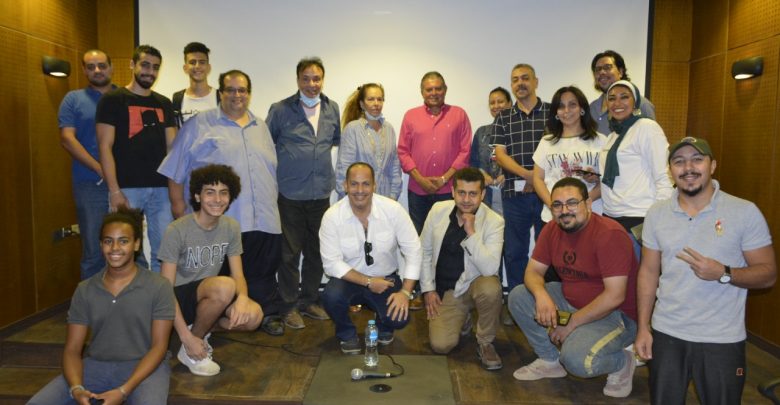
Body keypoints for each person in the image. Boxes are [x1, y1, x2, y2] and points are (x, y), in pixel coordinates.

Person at [635, 137, 777, 404]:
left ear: (712, 166)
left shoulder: (744, 212)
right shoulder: (656, 213)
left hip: (721, 339)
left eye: (697, 160)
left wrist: (724, 272)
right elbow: (648, 272)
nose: (688, 167)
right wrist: (643, 327)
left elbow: (768, 274)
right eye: (679, 161)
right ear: (670, 170)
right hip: (667, 333)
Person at [158, 70, 284, 336]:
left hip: (264, 218)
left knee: (263, 274)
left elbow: (271, 170)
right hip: (223, 221)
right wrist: (178, 207)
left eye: (242, 90)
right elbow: (174, 169)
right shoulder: (199, 125)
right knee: (222, 282)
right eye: (231, 90)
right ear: (221, 93)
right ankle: (207, 322)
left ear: (249, 94)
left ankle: (267, 314)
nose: (237, 95)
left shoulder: (261, 127)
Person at [28, 208, 174, 405]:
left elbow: (159, 347)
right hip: (96, 366)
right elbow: (72, 350)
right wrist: (76, 388)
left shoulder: (159, 286)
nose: (115, 248)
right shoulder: (85, 289)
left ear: (137, 244)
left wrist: (123, 391)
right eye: (108, 241)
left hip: (146, 367)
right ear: (101, 245)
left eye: (123, 241)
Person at [508, 177, 638, 398]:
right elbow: (533, 271)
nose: (564, 210)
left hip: (616, 315)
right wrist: (541, 295)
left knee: (576, 361)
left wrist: (571, 324)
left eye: (572, 203)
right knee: (519, 296)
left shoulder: (609, 235)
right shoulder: (552, 229)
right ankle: (550, 360)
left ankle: (622, 361)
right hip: (571, 301)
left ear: (588, 204)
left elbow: (615, 296)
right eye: (557, 205)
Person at [159, 164, 263, 377]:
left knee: (254, 316)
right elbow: (165, 290)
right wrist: (186, 336)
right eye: (210, 192)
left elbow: (238, 274)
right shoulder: (176, 229)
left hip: (210, 297)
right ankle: (191, 346)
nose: (217, 199)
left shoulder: (231, 226)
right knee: (224, 286)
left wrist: (243, 298)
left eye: (223, 193)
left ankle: (198, 332)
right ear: (197, 196)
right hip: (177, 299)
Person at [267, 57, 340, 329]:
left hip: (320, 194)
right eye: (306, 79)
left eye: (316, 78)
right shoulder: (280, 110)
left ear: (323, 80)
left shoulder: (332, 108)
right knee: (289, 254)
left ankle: (309, 301)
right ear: (298, 80)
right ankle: (288, 306)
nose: (312, 84)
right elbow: (267, 144)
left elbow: (334, 141)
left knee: (316, 251)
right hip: (290, 195)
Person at [320, 162, 421, 353]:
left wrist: (405, 293)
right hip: (349, 280)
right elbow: (331, 264)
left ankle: (385, 326)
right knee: (331, 296)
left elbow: (414, 250)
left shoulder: (393, 210)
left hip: (385, 279)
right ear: (345, 185)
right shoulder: (332, 217)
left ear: (374, 186)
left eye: (365, 184)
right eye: (354, 184)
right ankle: (346, 334)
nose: (360, 190)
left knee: (399, 319)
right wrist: (368, 281)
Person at [96, 44, 177, 273]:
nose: (150, 72)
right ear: (132, 65)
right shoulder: (113, 100)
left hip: (161, 189)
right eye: (145, 65)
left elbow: (172, 147)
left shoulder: (164, 103)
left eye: (155, 67)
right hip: (126, 189)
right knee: (123, 251)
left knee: (164, 252)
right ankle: (128, 295)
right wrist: (114, 191)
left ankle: (161, 295)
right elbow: (104, 147)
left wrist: (175, 190)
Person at [420, 167, 504, 370]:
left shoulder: (494, 221)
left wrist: (471, 233)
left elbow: (490, 268)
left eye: (473, 194)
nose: (466, 200)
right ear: (453, 192)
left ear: (482, 194)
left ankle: (486, 342)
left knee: (491, 288)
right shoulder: (438, 210)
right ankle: (464, 319)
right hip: (448, 290)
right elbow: (424, 252)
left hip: (475, 283)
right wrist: (428, 289)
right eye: (461, 193)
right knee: (441, 345)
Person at [58, 49, 116, 279]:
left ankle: (126, 300)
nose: (97, 70)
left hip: (125, 186)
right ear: (83, 70)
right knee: (94, 251)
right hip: (90, 185)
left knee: (131, 249)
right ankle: (91, 302)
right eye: (91, 67)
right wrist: (99, 168)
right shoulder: (73, 99)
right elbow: (67, 139)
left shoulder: (124, 97)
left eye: (102, 65)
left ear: (111, 67)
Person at [598, 80, 672, 258]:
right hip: (610, 217)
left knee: (638, 274)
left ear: (636, 102)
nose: (617, 103)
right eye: (612, 98)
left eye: (624, 97)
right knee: (615, 273)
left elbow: (664, 176)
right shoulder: (613, 135)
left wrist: (657, 220)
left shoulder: (646, 127)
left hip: (638, 219)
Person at [492, 63, 549, 291]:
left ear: (536, 82)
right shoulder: (503, 117)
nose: (520, 83)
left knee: (548, 250)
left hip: (547, 194)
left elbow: (557, 150)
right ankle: (518, 298)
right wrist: (529, 176)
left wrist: (536, 180)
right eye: (515, 80)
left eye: (525, 78)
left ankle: (548, 298)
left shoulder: (552, 113)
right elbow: (500, 155)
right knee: (515, 251)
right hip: (514, 195)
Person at [397, 71, 472, 234]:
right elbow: (403, 152)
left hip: (450, 190)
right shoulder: (410, 116)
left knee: (449, 237)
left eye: (438, 88)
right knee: (420, 235)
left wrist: (444, 179)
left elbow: (465, 152)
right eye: (429, 89)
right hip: (418, 191)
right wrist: (421, 180)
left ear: (445, 89)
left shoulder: (459, 114)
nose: (434, 93)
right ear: (422, 92)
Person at [533, 85, 607, 223]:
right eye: (561, 106)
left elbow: (607, 180)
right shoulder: (546, 142)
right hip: (554, 218)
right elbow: (537, 178)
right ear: (556, 112)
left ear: (582, 109)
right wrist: (554, 205)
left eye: (572, 105)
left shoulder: (601, 141)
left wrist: (583, 203)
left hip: (591, 215)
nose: (566, 110)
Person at [335, 83, 402, 200]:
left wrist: (393, 197)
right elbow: (343, 169)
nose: (376, 103)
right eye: (371, 99)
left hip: (384, 199)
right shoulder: (352, 129)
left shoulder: (389, 129)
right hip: (358, 199)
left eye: (379, 99)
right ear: (362, 104)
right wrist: (349, 199)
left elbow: (395, 167)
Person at [589, 50, 656, 135]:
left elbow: (649, 138)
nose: (601, 72)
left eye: (607, 67)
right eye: (598, 69)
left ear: (620, 72)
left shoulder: (642, 105)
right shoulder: (592, 108)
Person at [469, 87, 511, 211]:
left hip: (511, 193)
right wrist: (482, 175)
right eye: (492, 103)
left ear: (510, 104)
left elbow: (525, 161)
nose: (496, 106)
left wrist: (509, 174)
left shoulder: (519, 132)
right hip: (486, 194)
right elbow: (473, 163)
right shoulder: (481, 132)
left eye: (500, 102)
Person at [172, 42, 219, 127]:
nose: (197, 66)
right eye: (192, 62)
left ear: (208, 67)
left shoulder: (221, 97)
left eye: (202, 62)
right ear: (185, 68)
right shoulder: (177, 99)